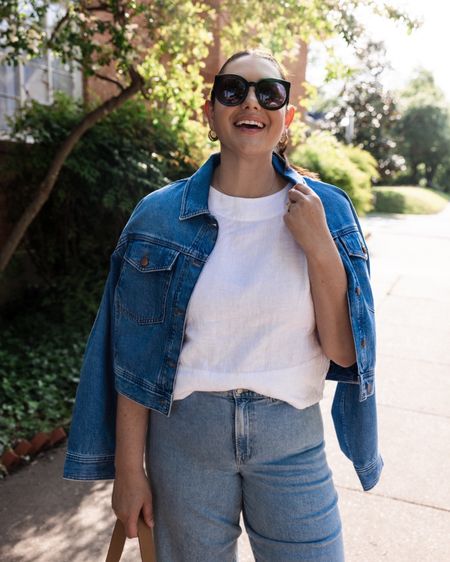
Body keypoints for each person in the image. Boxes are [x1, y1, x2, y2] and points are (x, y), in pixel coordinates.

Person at [63, 48, 383, 562]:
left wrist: (321, 248)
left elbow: (344, 354)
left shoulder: (329, 211)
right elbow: (134, 358)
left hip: (291, 440)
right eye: (232, 90)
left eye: (269, 92)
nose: (250, 102)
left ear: (287, 116)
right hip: (185, 442)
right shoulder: (158, 217)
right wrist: (128, 471)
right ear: (209, 112)